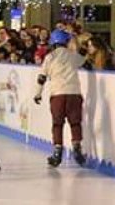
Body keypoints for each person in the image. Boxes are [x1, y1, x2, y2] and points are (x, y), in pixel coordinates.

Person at [33, 29, 88, 168]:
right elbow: (83, 57)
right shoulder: (72, 55)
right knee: (75, 123)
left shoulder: (49, 57)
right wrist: (76, 41)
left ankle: (57, 152)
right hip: (73, 93)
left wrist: (38, 93)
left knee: (57, 124)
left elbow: (41, 78)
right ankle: (77, 147)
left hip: (57, 94)